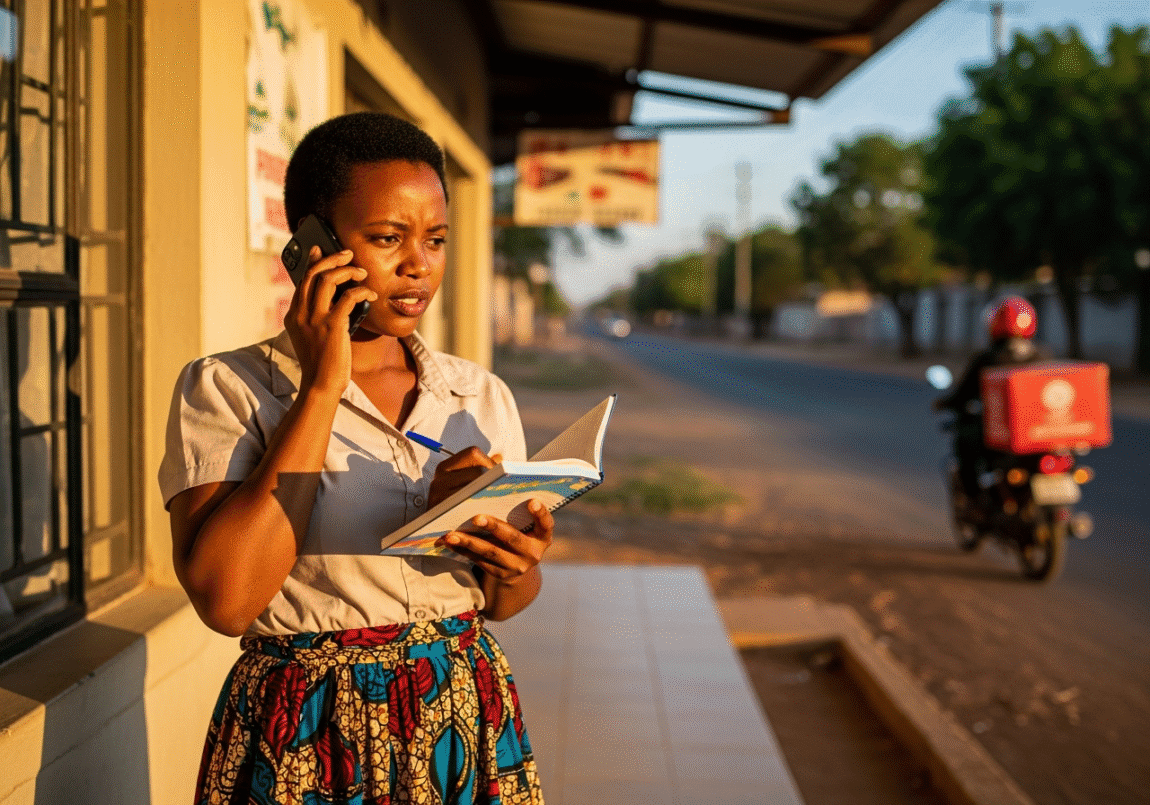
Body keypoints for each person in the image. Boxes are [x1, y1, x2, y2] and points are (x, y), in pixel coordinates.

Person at [159, 112, 549, 804]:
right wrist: (321, 387)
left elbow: (504, 603)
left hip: (459, 713)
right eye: (388, 237)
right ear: (315, 246)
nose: (418, 264)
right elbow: (226, 599)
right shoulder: (228, 388)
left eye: (435, 239)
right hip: (307, 732)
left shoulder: (477, 394)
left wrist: (514, 563)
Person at [933, 295, 1046, 504]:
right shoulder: (1042, 356)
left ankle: (974, 498)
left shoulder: (987, 359)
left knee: (965, 444)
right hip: (1038, 430)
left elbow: (963, 394)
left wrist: (946, 403)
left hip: (997, 435)